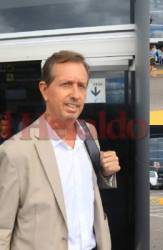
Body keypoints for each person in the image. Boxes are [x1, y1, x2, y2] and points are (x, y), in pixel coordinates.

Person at [0, 50, 121, 250]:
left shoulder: (89, 132)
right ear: (44, 90)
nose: (75, 94)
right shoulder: (14, 152)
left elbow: (83, 189)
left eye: (81, 86)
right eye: (66, 84)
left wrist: (106, 173)